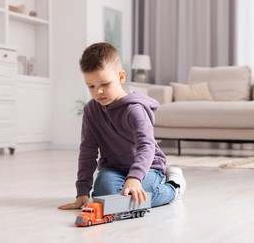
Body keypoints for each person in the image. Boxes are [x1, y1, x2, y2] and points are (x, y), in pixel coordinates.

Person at [58, 42, 186, 210]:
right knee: (104, 197)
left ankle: (173, 186)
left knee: (136, 196)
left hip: (147, 167)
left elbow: (146, 146)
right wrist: (82, 191)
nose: (98, 92)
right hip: (114, 168)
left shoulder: (135, 109)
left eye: (105, 84)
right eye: (91, 86)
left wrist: (135, 177)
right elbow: (87, 151)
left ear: (121, 77)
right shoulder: (91, 111)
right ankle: (125, 192)